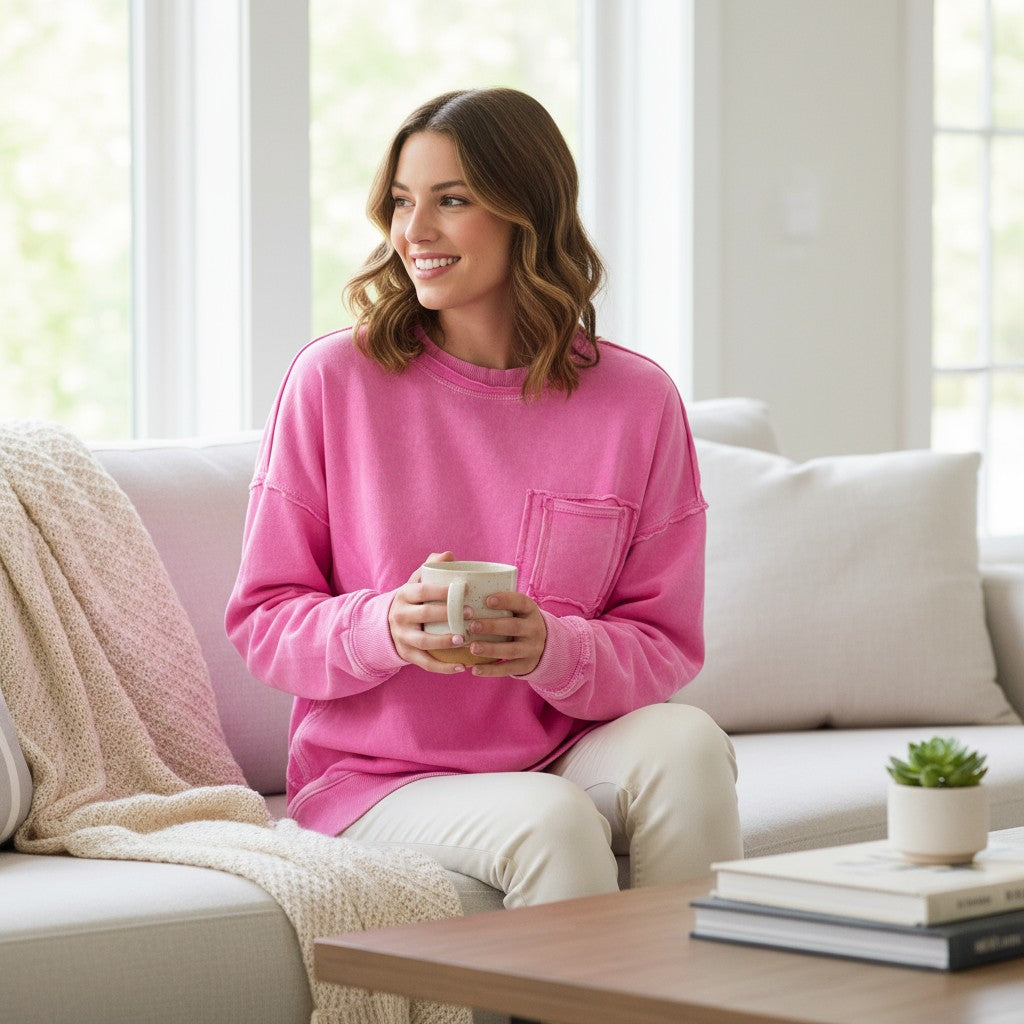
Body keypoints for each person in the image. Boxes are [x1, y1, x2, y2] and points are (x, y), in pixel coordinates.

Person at [226, 87, 742, 908]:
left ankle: (700, 998)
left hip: (566, 748)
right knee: (555, 821)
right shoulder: (335, 383)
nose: (414, 232)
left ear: (525, 214)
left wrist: (553, 648)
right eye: (401, 202)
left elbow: (663, 643)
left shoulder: (635, 402)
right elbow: (263, 623)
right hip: (377, 779)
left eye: (451, 201)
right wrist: (383, 625)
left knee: (688, 743)